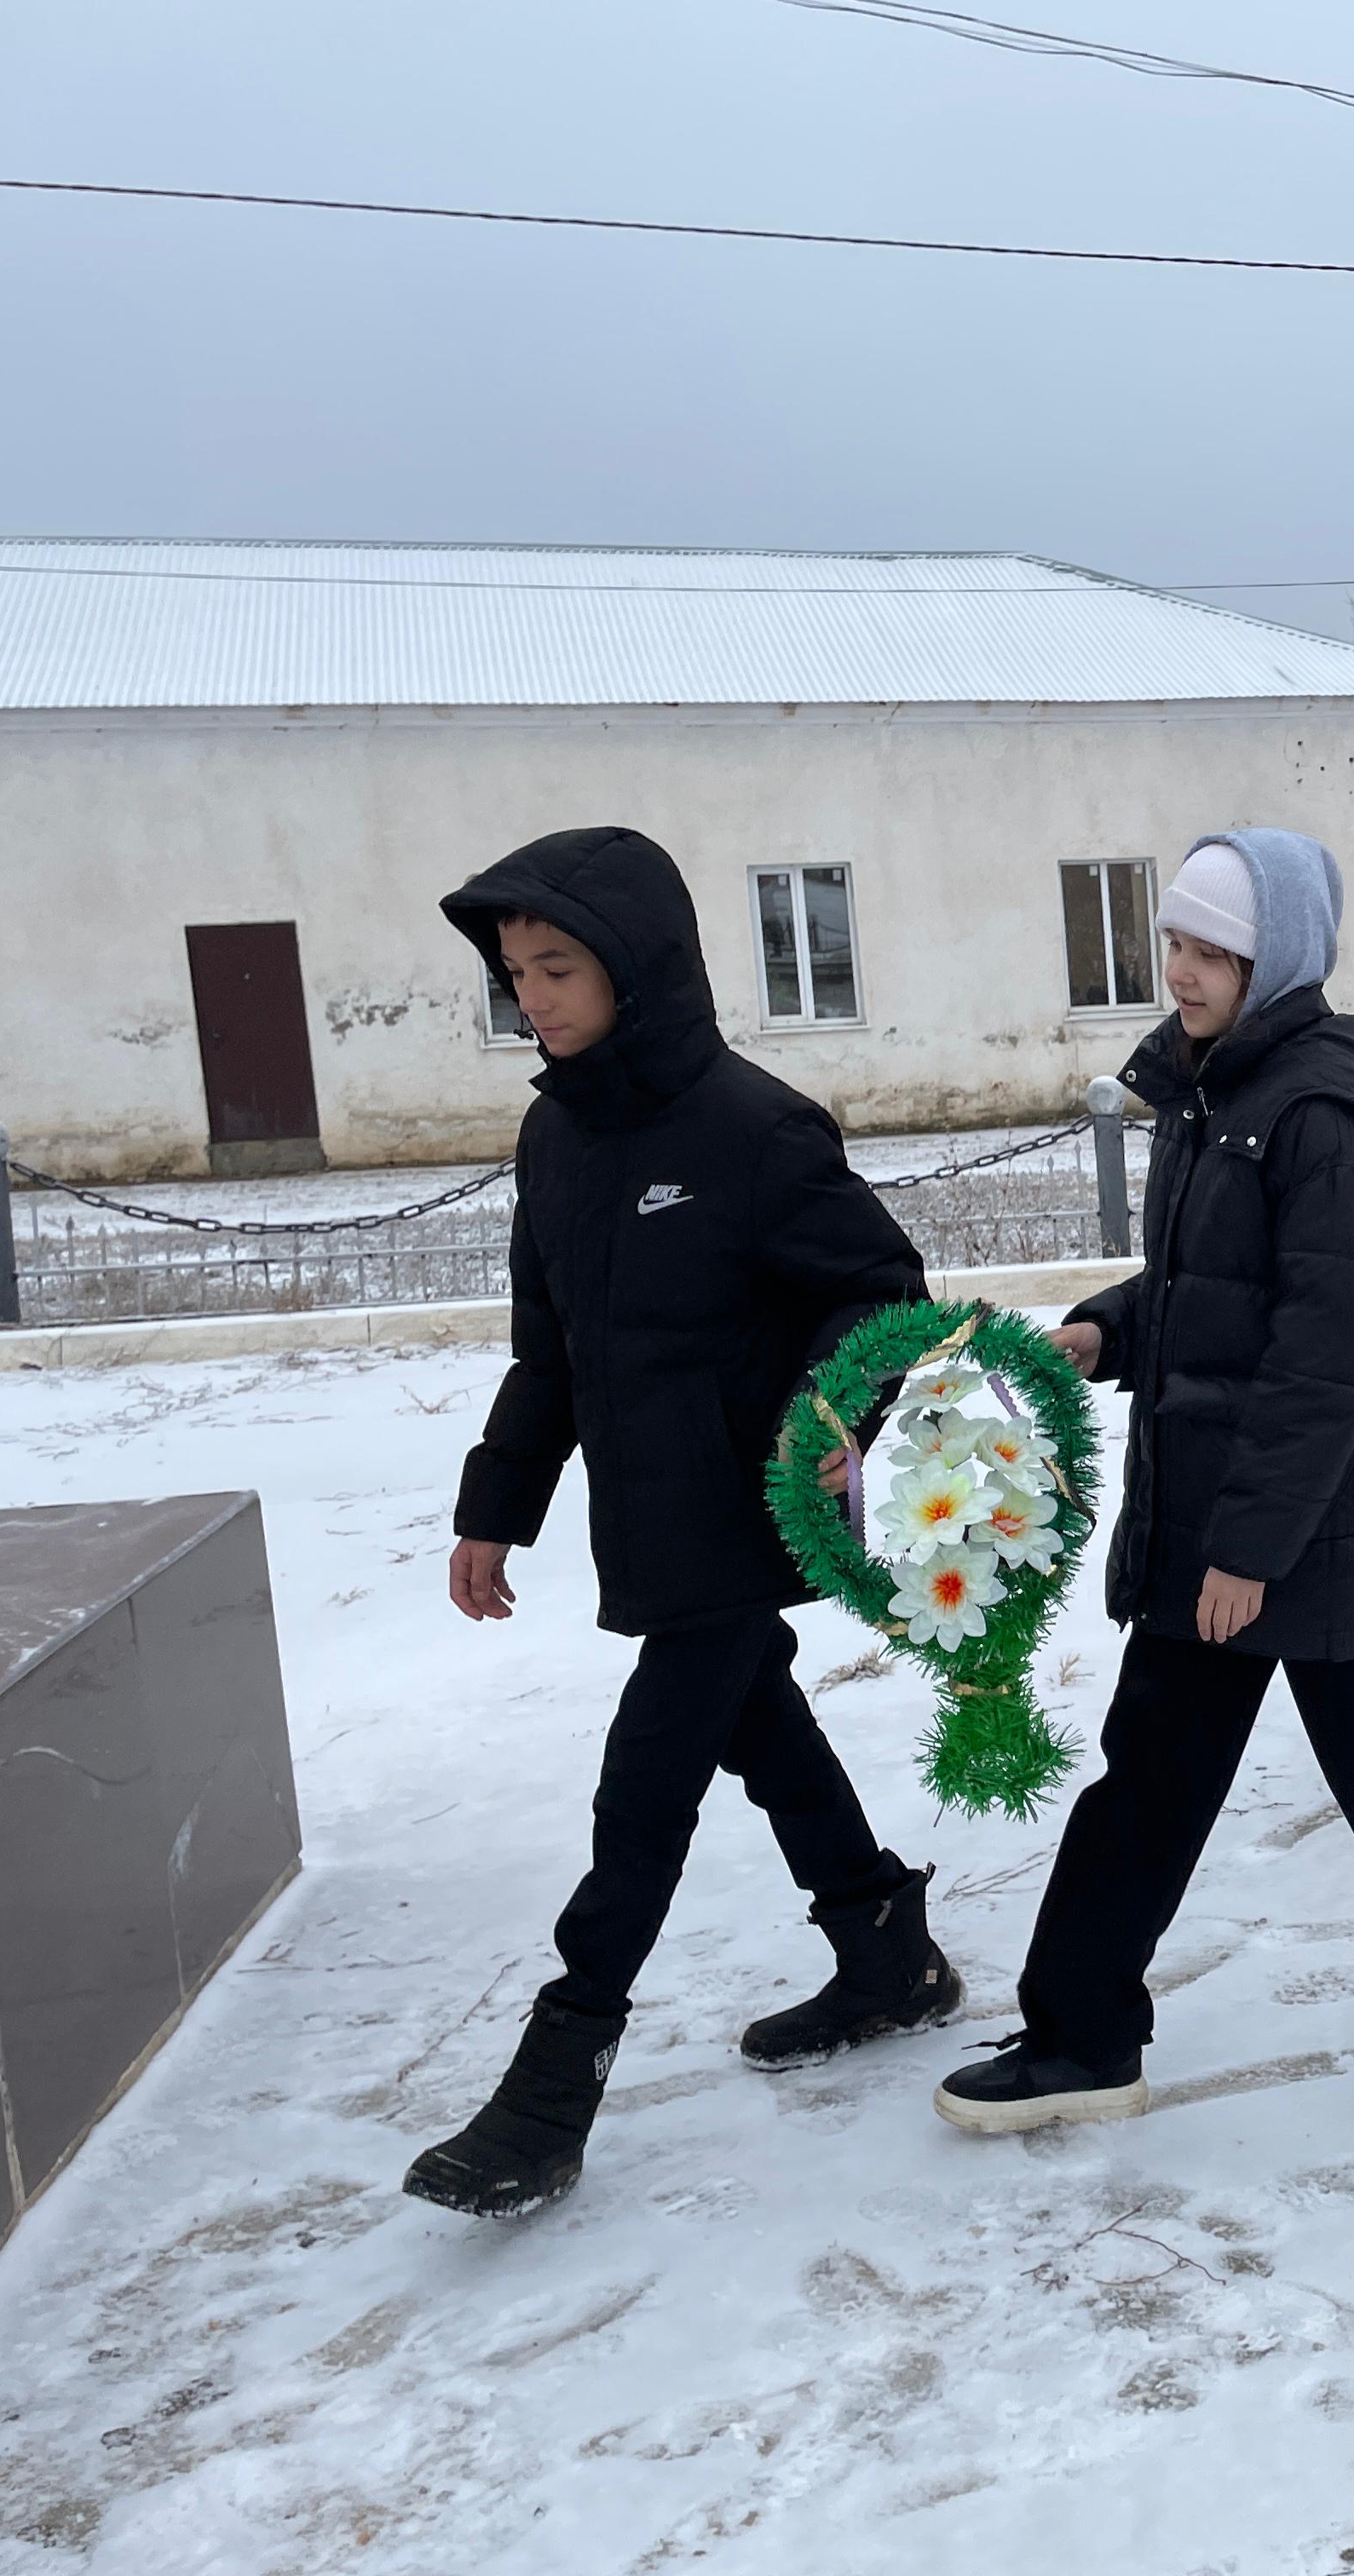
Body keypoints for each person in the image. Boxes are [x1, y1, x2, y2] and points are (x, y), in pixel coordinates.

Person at [936, 829, 1354, 2134]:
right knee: (1173, 1770)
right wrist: (1111, 1329)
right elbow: (1223, 1293)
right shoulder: (1224, 1091)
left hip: (1288, 1525)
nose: (1180, 971)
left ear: (1278, 957)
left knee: (1343, 1771)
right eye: (1176, 944)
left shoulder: (1322, 1115)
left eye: (1212, 950)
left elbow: (1327, 1352)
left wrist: (1244, 1551)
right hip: (1243, 1511)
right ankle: (1085, 2029)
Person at [409, 827, 954, 2219]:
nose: (532, 994)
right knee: (761, 1727)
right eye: (515, 971)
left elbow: (879, 1284)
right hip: (641, 1507)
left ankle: (558, 2066)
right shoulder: (556, 1133)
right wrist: (495, 1507)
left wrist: (828, 1407)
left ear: (636, 969)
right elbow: (552, 1350)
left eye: (558, 965)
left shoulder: (751, 1127)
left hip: (740, 1502)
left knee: (645, 1781)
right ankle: (883, 1943)